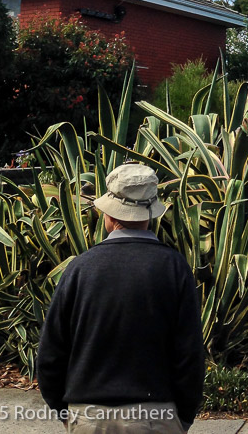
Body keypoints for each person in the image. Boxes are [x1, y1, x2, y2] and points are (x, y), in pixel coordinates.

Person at [37, 162, 205, 433]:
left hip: (88, 415)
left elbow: (50, 355)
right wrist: (182, 417)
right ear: (150, 214)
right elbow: (190, 355)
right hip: (156, 416)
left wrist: (67, 412)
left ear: (110, 215)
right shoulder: (174, 268)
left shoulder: (79, 269)